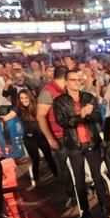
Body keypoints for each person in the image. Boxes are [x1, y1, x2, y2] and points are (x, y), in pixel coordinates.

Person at [53, 69, 110, 218]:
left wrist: (89, 114)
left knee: (98, 176)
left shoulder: (88, 97)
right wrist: (82, 116)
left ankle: (105, 206)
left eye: (79, 80)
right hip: (74, 144)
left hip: (92, 142)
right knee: (79, 180)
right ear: (66, 82)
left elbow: (99, 117)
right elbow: (62, 122)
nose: (76, 82)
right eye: (72, 80)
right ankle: (85, 212)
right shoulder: (60, 101)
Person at [37, 65, 76, 206]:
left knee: (76, 164)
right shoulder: (47, 92)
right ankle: (71, 195)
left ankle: (79, 191)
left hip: (71, 134)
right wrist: (50, 138)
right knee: (64, 168)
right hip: (58, 136)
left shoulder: (65, 90)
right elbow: (41, 117)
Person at [1, 90, 58, 184]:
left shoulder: (37, 106)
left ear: (30, 97)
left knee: (49, 157)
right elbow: (7, 117)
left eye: (26, 98)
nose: (24, 100)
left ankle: (57, 175)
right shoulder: (18, 108)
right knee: (35, 159)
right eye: (21, 98)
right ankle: (37, 180)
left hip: (41, 136)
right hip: (29, 138)